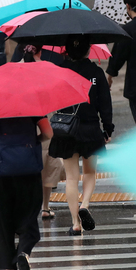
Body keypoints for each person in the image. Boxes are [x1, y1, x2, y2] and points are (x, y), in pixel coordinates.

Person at [0, 114, 53, 270]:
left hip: (1, 169)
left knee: (3, 223)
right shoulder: (32, 101)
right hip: (29, 166)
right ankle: (24, 253)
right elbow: (49, 133)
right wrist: (34, 141)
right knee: (29, 218)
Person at [49, 35, 114, 236]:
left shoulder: (59, 72)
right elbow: (105, 104)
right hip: (90, 129)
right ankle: (85, 204)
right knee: (89, 173)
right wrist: (107, 129)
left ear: (66, 50)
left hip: (66, 130)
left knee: (71, 178)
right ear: (89, 50)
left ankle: (75, 222)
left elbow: (51, 100)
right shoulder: (96, 72)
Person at [20, 44, 66, 219]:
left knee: (34, 169)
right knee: (48, 164)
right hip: (45, 117)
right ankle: (45, 207)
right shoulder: (49, 66)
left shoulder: (18, 66)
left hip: (25, 121)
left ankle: (33, 207)